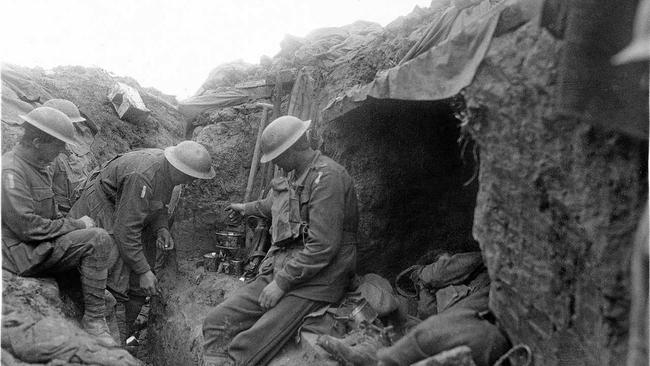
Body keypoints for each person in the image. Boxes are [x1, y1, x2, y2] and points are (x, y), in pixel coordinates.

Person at [202, 115, 359, 366]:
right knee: (216, 323)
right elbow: (274, 205)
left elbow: (323, 247)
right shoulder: (297, 175)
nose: (274, 162)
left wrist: (282, 284)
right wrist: (245, 207)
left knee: (246, 347)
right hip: (287, 267)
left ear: (290, 149)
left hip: (320, 279)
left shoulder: (327, 178)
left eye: (276, 156)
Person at [69, 140, 215, 343]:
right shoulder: (142, 175)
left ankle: (124, 333)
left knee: (141, 283)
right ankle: (114, 345)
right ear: (176, 166)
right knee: (117, 280)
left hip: (131, 210)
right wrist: (143, 270)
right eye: (189, 176)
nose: (190, 182)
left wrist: (161, 227)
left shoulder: (169, 172)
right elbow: (125, 230)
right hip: (105, 208)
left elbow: (159, 204)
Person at [1, 106, 115, 346]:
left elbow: (51, 216)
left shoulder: (38, 166)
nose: (63, 150)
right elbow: (27, 227)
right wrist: (76, 225)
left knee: (105, 296)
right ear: (37, 142)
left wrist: (72, 227)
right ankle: (93, 322)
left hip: (39, 247)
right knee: (98, 238)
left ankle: (95, 316)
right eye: (59, 144)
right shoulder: (11, 171)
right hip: (21, 254)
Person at [43, 98, 98, 214]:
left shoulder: (76, 146)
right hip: (64, 213)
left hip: (84, 204)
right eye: (69, 124)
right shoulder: (48, 156)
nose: (73, 128)